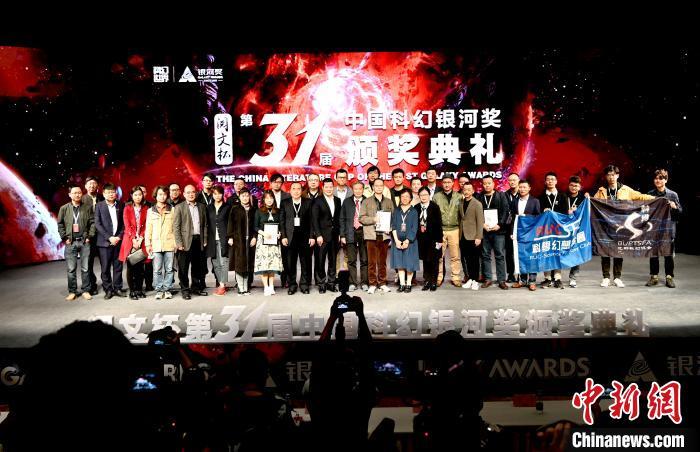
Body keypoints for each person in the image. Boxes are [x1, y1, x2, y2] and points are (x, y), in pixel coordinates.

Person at [594, 164, 655, 287]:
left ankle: (617, 277)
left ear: (617, 175)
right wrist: (587, 198)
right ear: (605, 177)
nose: (611, 177)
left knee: (618, 250)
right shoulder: (601, 191)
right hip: (606, 226)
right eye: (608, 175)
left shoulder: (626, 190)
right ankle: (606, 277)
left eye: (613, 175)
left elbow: (640, 196)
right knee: (604, 251)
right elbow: (593, 202)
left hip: (620, 225)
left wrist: (657, 198)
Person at [57, 184, 95, 300]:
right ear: (70, 195)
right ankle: (72, 291)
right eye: (74, 193)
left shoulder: (87, 207)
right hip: (71, 242)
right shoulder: (64, 208)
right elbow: (60, 224)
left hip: (84, 241)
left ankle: (86, 290)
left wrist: (89, 236)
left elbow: (92, 223)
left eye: (79, 192)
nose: (77, 195)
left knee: (86, 268)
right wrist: (65, 238)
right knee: (71, 269)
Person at [647, 169, 682, 288]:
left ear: (666, 180)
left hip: (668, 229)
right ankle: (654, 277)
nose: (658, 180)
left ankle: (669, 277)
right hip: (655, 228)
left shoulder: (672, 194)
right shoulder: (650, 194)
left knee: (668, 254)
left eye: (661, 178)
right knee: (653, 253)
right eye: (656, 178)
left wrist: (674, 206)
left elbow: (680, 211)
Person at [173, 184, 209, 300]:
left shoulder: (202, 206)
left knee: (197, 266)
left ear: (196, 193)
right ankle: (185, 290)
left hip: (198, 240)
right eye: (188, 192)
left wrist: (205, 239)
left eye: (193, 192)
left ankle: (195, 287)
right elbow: (176, 227)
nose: (191, 194)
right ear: (184, 194)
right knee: (183, 268)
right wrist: (179, 243)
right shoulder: (179, 207)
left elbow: (205, 225)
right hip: (185, 242)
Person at [360, 178, 394, 294]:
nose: (379, 188)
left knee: (382, 262)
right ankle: (372, 284)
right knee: (371, 262)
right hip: (371, 235)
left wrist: (390, 227)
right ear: (373, 187)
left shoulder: (389, 202)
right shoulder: (366, 201)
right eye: (376, 186)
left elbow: (393, 217)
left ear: (383, 187)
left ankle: (382, 283)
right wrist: (373, 219)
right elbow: (361, 218)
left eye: (381, 186)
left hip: (384, 235)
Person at [280, 181, 314, 295]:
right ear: (290, 191)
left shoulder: (308, 202)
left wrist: (311, 236)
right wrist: (283, 236)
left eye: (298, 189)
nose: (296, 191)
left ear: (301, 190)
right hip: (290, 237)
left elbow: (312, 221)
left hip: (304, 237)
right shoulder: (285, 203)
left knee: (305, 262)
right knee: (291, 262)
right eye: (293, 189)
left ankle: (304, 285)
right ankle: (292, 285)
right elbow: (282, 221)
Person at [94, 183, 125, 299]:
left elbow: (124, 223)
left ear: (115, 193)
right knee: (105, 268)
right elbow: (98, 224)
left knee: (118, 266)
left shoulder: (121, 205)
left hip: (118, 241)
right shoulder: (99, 206)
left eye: (113, 192)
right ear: (104, 194)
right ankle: (108, 289)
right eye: (108, 192)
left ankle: (118, 288)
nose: (111, 194)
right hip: (104, 242)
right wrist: (109, 237)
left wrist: (119, 237)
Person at [145, 185, 176, 299]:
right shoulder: (150, 211)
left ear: (167, 196)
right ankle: (159, 290)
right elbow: (148, 229)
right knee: (157, 269)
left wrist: (176, 243)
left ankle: (167, 289)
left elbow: (175, 228)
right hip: (156, 244)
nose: (162, 196)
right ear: (156, 196)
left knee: (169, 269)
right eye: (160, 194)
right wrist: (148, 244)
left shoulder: (172, 209)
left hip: (169, 243)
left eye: (164, 194)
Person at [479, 175, 510, 290]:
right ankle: (488, 279)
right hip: (485, 230)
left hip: (498, 231)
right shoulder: (479, 197)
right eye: (484, 183)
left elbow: (505, 211)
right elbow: (477, 213)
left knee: (500, 255)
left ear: (493, 184)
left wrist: (499, 225)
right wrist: (482, 224)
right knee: (485, 255)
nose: (487, 185)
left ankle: (501, 280)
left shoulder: (501, 195)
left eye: (489, 183)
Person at [538, 172, 568, 289]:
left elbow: (565, 213)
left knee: (557, 253)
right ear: (545, 182)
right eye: (548, 179)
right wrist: (543, 211)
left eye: (552, 179)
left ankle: (557, 278)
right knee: (545, 252)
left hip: (558, 230)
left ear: (556, 181)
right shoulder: (540, 196)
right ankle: (547, 278)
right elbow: (537, 213)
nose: (550, 181)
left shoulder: (562, 196)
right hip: (545, 230)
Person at [119, 186, 150, 300]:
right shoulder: (127, 208)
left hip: (142, 240)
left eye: (140, 194)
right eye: (135, 195)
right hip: (129, 240)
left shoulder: (146, 208)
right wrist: (133, 239)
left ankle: (139, 289)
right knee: (131, 266)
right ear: (132, 196)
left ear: (143, 195)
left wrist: (141, 238)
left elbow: (147, 225)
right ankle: (132, 291)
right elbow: (127, 226)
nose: (138, 197)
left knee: (140, 267)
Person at [312, 178, 342, 293]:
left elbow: (338, 219)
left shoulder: (338, 200)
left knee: (332, 260)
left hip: (334, 235)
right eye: (326, 187)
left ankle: (331, 283)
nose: (329, 189)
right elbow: (314, 220)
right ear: (323, 188)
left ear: (333, 187)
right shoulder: (317, 201)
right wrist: (318, 235)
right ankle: (321, 283)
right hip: (322, 236)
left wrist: (339, 233)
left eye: (331, 187)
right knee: (320, 260)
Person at [433, 175, 463, 287]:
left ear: (453, 183)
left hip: (454, 229)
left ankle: (455, 277)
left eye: (449, 182)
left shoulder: (459, 196)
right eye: (444, 182)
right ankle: (439, 277)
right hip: (440, 230)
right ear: (442, 183)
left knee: (455, 256)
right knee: (439, 256)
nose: (446, 184)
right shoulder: (436, 197)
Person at [510, 180, 541, 291]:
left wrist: (526, 217)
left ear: (529, 188)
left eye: (524, 187)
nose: (522, 189)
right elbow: (512, 218)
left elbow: (538, 218)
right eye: (520, 187)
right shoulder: (515, 201)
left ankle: (532, 281)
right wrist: (512, 232)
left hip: (531, 233)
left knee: (532, 257)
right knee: (521, 256)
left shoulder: (535, 201)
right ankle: (522, 280)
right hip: (519, 233)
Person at [340, 181, 369, 291]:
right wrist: (342, 235)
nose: (358, 191)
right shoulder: (347, 202)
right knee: (351, 260)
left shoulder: (368, 201)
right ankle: (352, 283)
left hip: (364, 232)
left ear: (363, 189)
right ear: (353, 190)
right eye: (355, 189)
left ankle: (364, 282)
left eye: (360, 189)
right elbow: (342, 219)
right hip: (350, 232)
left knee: (364, 259)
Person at [253, 190, 283, 296]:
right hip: (263, 241)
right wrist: (263, 233)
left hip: (274, 241)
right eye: (267, 198)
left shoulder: (278, 211)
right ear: (263, 200)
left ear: (274, 199)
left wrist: (279, 233)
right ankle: (266, 286)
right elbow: (255, 226)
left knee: (272, 264)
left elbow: (281, 225)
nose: (269, 200)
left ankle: (271, 286)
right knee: (264, 265)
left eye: (271, 198)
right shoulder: (259, 211)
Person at [228, 188, 256, 295]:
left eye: (247, 195)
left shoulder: (253, 210)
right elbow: (230, 224)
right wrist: (230, 237)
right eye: (243, 196)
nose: (245, 198)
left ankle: (246, 286)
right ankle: (241, 287)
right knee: (239, 264)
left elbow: (256, 225)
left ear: (249, 197)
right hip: (238, 240)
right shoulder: (235, 209)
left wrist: (255, 237)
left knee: (248, 263)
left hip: (250, 241)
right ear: (239, 197)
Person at [390, 190, 419, 292]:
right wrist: (396, 240)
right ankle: (402, 284)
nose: (405, 198)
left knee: (409, 263)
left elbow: (414, 228)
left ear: (410, 198)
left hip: (410, 241)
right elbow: (393, 226)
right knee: (400, 263)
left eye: (407, 196)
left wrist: (407, 241)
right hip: (397, 241)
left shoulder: (414, 211)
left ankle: (408, 284)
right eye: (402, 196)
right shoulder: (396, 211)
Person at [415, 187, 443, 291]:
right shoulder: (416, 207)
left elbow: (439, 224)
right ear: (419, 196)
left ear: (429, 195)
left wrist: (439, 241)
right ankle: (426, 281)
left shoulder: (435, 207)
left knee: (434, 260)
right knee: (425, 260)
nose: (423, 197)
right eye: (421, 195)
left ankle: (433, 282)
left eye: (425, 195)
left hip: (434, 238)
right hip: (422, 239)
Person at [206, 185, 232, 296]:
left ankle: (222, 285)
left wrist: (230, 237)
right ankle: (222, 284)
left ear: (223, 194)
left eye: (219, 193)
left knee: (224, 262)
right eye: (215, 194)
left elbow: (231, 223)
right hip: (212, 239)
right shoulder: (209, 208)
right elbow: (206, 224)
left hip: (224, 238)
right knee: (215, 263)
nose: (217, 196)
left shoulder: (228, 207)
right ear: (212, 195)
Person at [459, 183, 484, 291]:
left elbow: (480, 221)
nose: (466, 191)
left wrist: (479, 237)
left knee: (474, 259)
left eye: (469, 189)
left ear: (473, 191)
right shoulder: (460, 202)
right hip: (463, 236)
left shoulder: (477, 204)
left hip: (474, 236)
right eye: (465, 189)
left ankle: (475, 281)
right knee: (467, 259)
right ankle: (470, 279)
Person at [564, 176, 589, 287]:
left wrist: (576, 211)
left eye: (576, 186)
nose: (573, 187)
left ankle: (573, 277)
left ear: (580, 187)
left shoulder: (583, 198)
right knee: (559, 251)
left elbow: (587, 212)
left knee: (576, 252)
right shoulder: (563, 196)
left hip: (578, 229)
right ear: (568, 185)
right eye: (571, 185)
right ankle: (557, 277)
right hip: (564, 229)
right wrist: (567, 211)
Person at [82, 176, 103, 295]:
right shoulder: (82, 199)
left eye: (94, 183)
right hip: (89, 236)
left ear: (97, 186)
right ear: (85, 186)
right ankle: (91, 285)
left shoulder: (102, 198)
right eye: (89, 184)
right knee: (88, 262)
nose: (92, 186)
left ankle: (107, 284)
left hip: (102, 235)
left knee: (104, 261)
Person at [270, 173, 291, 288]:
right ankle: (270, 282)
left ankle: (285, 279)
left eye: (279, 182)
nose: (277, 184)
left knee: (285, 255)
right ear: (271, 183)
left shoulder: (287, 196)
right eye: (275, 182)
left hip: (284, 228)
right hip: (270, 228)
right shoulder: (266, 195)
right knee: (271, 255)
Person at [504, 172, 521, 283]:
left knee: (520, 252)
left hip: (521, 227)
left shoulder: (523, 193)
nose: (512, 182)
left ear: (519, 181)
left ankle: (521, 275)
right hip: (508, 228)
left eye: (514, 180)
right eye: (510, 180)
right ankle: (510, 274)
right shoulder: (504, 195)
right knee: (509, 252)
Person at [140, 185, 154, 292]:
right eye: (139, 192)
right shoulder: (129, 205)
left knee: (149, 263)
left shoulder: (151, 205)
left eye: (143, 192)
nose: (141, 194)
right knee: (137, 262)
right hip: (136, 239)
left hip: (148, 237)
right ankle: (138, 286)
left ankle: (149, 284)